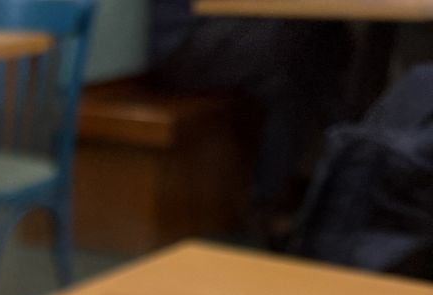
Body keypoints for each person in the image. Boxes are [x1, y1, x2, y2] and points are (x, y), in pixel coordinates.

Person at [150, 1, 352, 231]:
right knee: (301, 38)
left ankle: (342, 179)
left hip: (214, 27)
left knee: (310, 40)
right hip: (182, 40)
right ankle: (338, 183)